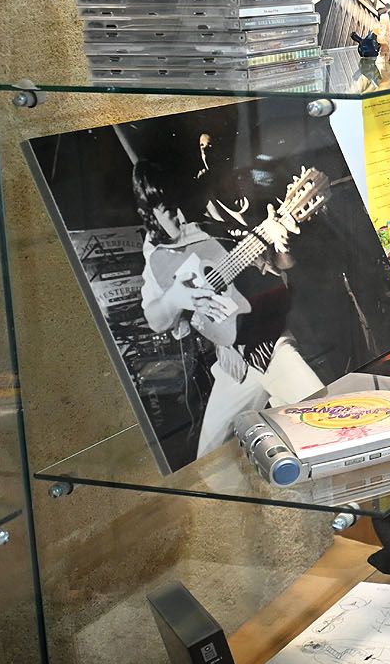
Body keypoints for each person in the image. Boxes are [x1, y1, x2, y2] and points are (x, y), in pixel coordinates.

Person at [134, 158, 320, 458]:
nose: (182, 216)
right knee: (209, 458)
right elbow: (155, 318)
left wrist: (282, 246)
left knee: (326, 423)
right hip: (232, 364)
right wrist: (174, 299)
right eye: (169, 211)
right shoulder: (158, 251)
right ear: (152, 215)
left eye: (183, 204)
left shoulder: (215, 218)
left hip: (269, 346)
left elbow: (278, 269)